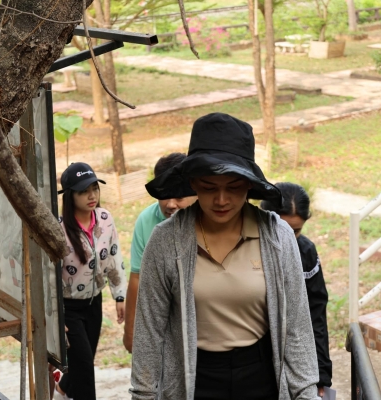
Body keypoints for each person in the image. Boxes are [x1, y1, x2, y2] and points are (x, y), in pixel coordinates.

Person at [130, 113, 320, 400]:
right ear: (193, 183)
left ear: (249, 185)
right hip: (194, 378)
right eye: (209, 188)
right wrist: (143, 395)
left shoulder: (277, 237)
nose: (221, 200)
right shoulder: (166, 241)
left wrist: (305, 393)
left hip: (260, 374)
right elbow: (150, 331)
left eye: (233, 187)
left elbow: (296, 325)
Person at [54, 162, 127, 400]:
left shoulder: (105, 219)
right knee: (85, 366)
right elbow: (48, 276)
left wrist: (119, 294)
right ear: (70, 196)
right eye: (84, 191)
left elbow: (114, 256)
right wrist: (55, 314)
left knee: (83, 361)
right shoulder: (58, 228)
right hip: (68, 308)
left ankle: (62, 389)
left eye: (95, 188)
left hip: (94, 302)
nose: (92, 195)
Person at [261, 183, 333, 398]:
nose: (289, 240)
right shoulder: (248, 249)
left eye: (296, 231)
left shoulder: (306, 252)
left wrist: (321, 377)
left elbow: (316, 316)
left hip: (295, 357)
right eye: (282, 230)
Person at [123, 153, 197, 353]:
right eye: (164, 195)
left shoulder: (209, 221)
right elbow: (137, 277)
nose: (171, 204)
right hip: (161, 317)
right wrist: (130, 331)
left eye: (179, 196)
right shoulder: (146, 221)